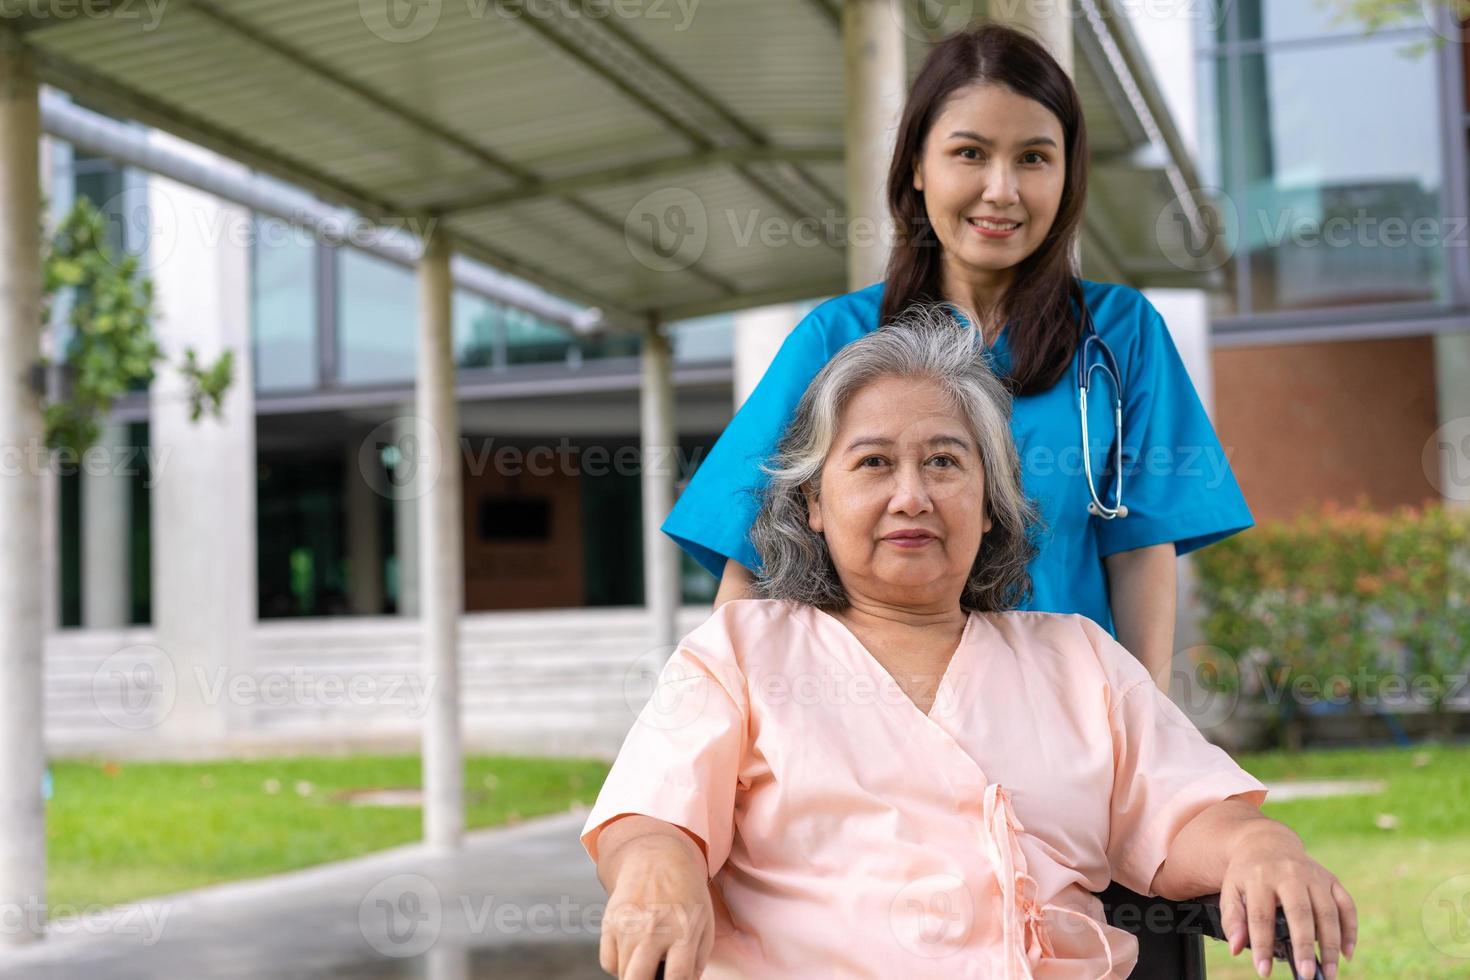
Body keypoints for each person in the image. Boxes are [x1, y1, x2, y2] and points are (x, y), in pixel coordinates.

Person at [582, 311, 1354, 980]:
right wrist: (657, 869)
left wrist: (1259, 844)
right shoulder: (743, 650)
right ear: (814, 502)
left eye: (945, 462)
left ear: (991, 503)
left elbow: (1184, 813)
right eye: (874, 463)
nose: (911, 495)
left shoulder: (1076, 657)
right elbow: (652, 813)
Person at [661, 22, 1251, 689]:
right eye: (970, 154)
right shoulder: (835, 337)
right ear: (917, 165)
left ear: (1068, 172)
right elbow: (751, 551)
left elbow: (1141, 551)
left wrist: (1148, 733)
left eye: (1034, 157)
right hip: (880, 726)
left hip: (1070, 721)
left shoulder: (1121, 334)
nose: (1002, 190)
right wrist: (721, 727)